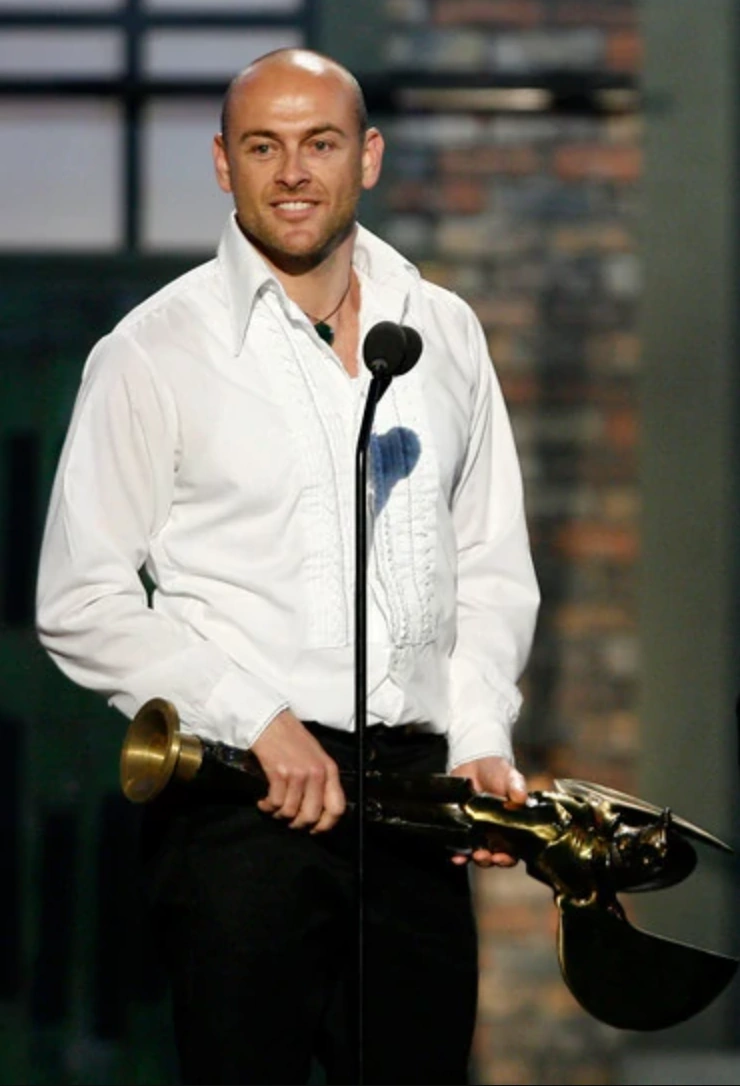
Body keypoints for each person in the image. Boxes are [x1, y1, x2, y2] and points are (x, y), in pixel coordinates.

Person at [36, 49, 539, 1086]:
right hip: (242, 805)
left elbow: (488, 564)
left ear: (369, 156)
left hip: (416, 807)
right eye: (264, 147)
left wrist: (480, 739)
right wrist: (256, 717)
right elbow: (79, 598)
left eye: (320, 143)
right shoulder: (152, 350)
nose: (294, 172)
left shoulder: (442, 331)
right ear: (224, 164)